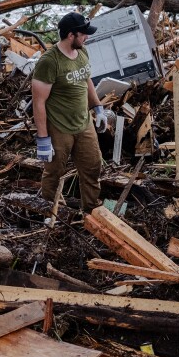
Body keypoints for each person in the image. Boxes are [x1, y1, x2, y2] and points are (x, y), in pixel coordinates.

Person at [31, 12, 109, 212]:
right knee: (54, 172)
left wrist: (98, 107)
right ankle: (50, 213)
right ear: (70, 35)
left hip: (84, 122)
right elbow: (38, 102)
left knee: (93, 167)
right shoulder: (49, 62)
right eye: (83, 34)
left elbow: (87, 79)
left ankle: (91, 211)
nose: (87, 37)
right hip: (59, 126)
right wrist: (43, 140)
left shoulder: (82, 52)